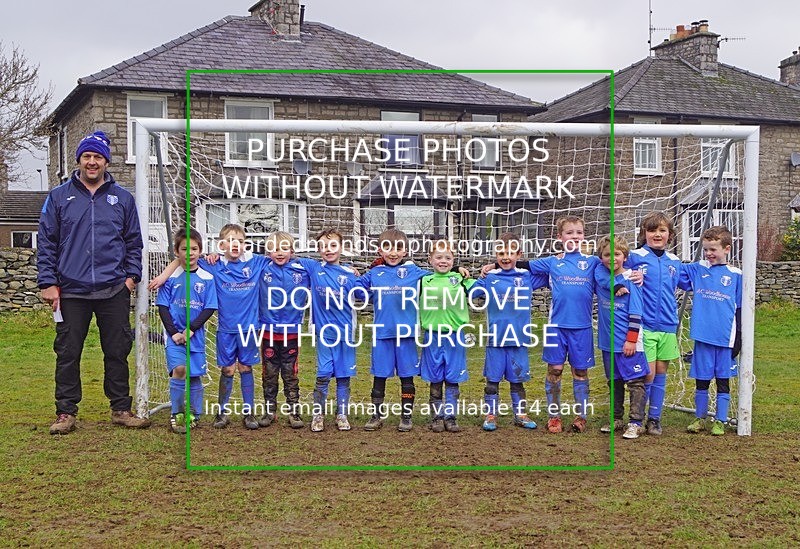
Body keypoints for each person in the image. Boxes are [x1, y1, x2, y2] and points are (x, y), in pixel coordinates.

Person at [38, 130, 150, 435]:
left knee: (117, 350)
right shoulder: (59, 197)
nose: (91, 162)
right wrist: (48, 282)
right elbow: (47, 242)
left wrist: (130, 278)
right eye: (87, 156)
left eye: (97, 157)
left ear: (105, 162)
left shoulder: (123, 199)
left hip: (113, 288)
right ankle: (66, 412)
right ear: (79, 161)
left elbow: (133, 242)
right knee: (68, 352)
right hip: (71, 289)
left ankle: (120, 409)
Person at [150, 224, 266, 430]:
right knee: (228, 369)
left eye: (239, 241)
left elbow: (278, 258)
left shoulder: (256, 262)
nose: (235, 245)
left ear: (246, 244)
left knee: (246, 368)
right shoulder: (213, 265)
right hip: (225, 329)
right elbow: (183, 258)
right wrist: (163, 277)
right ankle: (221, 413)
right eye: (230, 241)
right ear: (221, 244)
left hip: (249, 329)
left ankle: (249, 414)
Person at [470, 233, 547, 431]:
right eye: (501, 253)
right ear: (495, 254)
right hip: (495, 339)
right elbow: (471, 293)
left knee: (517, 380)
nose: (506, 257)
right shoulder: (490, 278)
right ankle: (490, 415)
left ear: (519, 254)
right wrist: (481, 275)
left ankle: (520, 414)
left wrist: (525, 264)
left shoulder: (526, 276)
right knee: (492, 381)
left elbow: (551, 273)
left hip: (519, 339)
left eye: (511, 253)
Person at [678, 226, 742, 436]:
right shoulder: (698, 269)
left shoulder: (736, 275)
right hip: (702, 338)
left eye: (713, 249)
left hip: (725, 339)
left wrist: (739, 338)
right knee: (702, 380)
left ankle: (721, 420)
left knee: (723, 381)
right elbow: (673, 270)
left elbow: (741, 309)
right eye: (705, 249)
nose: (708, 254)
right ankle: (700, 418)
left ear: (727, 249)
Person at [293, 229, 359, 432]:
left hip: (346, 333)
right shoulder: (313, 267)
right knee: (322, 374)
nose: (328, 250)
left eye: (332, 246)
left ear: (341, 247)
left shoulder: (350, 274)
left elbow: (366, 293)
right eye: (323, 246)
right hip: (323, 333)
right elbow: (286, 255)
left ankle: (342, 414)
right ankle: (318, 414)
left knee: (343, 376)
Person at [626, 212, 683, 435]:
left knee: (660, 373)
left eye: (662, 230)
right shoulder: (635, 256)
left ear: (670, 235)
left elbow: (690, 281)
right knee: (647, 374)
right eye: (652, 230)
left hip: (668, 325)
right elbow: (612, 265)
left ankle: (655, 419)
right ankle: (637, 418)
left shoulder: (675, 262)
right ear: (644, 233)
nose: (657, 234)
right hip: (645, 325)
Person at [156, 228, 218, 433]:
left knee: (194, 375)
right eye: (184, 249)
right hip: (174, 337)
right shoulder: (170, 278)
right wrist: (173, 332)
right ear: (176, 251)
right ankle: (177, 413)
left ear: (200, 251)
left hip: (196, 336)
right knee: (180, 370)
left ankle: (194, 413)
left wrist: (191, 329)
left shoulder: (207, 278)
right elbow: (163, 307)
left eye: (194, 248)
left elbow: (209, 307)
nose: (189, 253)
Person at [594, 236, 650, 439]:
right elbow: (597, 271)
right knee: (614, 381)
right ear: (601, 257)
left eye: (616, 254)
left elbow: (636, 313)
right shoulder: (601, 277)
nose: (612, 258)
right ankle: (616, 418)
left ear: (625, 256)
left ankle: (636, 422)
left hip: (628, 342)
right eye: (607, 255)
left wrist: (632, 340)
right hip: (608, 343)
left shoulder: (632, 280)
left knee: (635, 382)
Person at [418, 239, 475, 433]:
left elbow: (484, 287)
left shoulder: (461, 280)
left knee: (452, 378)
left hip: (455, 336)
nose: (443, 261)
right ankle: (436, 417)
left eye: (448, 258)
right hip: (432, 336)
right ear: (430, 260)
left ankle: (450, 417)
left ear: (454, 260)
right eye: (439, 257)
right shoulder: (423, 280)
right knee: (435, 379)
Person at [258, 231, 310, 429]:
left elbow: (327, 268)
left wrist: (348, 268)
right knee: (269, 372)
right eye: (275, 249)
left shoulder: (302, 269)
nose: (280, 253)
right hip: (268, 332)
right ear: (268, 252)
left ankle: (294, 411)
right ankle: (269, 411)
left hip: (291, 332)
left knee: (290, 372)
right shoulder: (262, 267)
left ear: (292, 250)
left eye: (284, 249)